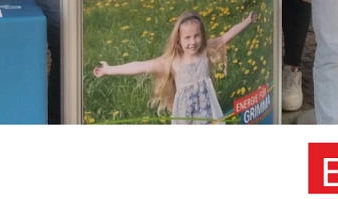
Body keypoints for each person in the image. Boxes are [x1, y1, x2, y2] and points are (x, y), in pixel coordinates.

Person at [93, 10, 258, 124]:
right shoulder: (172, 62)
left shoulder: (205, 52)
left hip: (208, 113)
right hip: (185, 118)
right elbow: (140, 66)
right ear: (178, 39)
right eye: (187, 38)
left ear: (202, 35)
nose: (192, 42)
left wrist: (247, 21)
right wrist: (109, 69)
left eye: (196, 36)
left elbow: (226, 37)